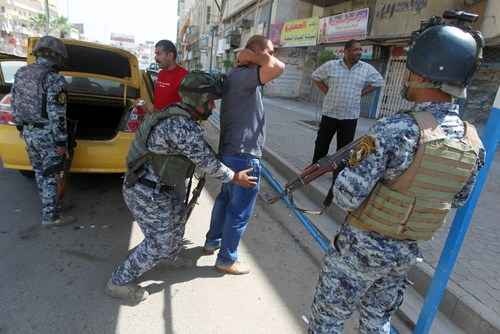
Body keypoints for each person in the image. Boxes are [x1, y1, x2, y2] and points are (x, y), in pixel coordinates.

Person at [308, 12, 485, 334]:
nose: (405, 77)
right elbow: (459, 198)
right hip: (405, 253)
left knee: (327, 322)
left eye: (409, 70)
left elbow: (347, 195)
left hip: (360, 251)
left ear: (423, 74)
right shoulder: (472, 139)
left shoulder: (397, 129)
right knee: (377, 323)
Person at [105, 71, 257, 304]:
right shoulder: (181, 126)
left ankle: (169, 257)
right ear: (199, 100)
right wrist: (235, 177)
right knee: (160, 241)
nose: (213, 108)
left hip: (160, 188)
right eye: (210, 102)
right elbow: (208, 163)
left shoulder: (181, 116)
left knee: (177, 227)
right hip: (145, 191)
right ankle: (119, 281)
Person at [203, 35, 285, 275]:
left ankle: (212, 241)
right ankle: (226, 260)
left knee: (225, 200)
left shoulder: (234, 76)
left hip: (229, 151)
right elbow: (279, 68)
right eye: (269, 51)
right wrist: (249, 55)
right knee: (239, 210)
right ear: (256, 52)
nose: (273, 55)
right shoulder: (247, 75)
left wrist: (250, 56)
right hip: (244, 154)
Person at [11, 35, 75, 227]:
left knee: (40, 172)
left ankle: (50, 206)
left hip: (29, 132)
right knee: (51, 174)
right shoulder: (54, 79)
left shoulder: (21, 72)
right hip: (47, 134)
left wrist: (21, 128)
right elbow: (57, 115)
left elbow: (14, 103)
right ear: (57, 56)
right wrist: (61, 142)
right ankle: (51, 217)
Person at [311, 39, 384, 163]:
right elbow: (315, 76)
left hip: (350, 116)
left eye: (360, 49)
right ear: (346, 51)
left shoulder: (366, 68)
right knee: (321, 145)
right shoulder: (331, 65)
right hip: (330, 113)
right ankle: (316, 169)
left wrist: (362, 92)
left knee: (344, 149)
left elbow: (379, 81)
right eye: (356, 49)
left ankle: (339, 173)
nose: (359, 52)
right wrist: (326, 90)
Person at [140, 40, 188, 113]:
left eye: (158, 54)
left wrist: (155, 110)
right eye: (155, 54)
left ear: (170, 56)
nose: (155, 58)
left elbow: (186, 110)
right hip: (157, 121)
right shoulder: (161, 73)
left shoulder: (185, 77)